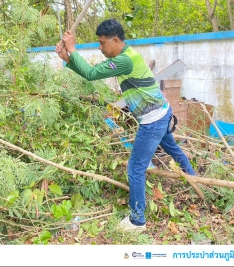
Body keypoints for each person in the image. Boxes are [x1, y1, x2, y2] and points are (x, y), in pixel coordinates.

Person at [55, 19, 196, 232]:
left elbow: (92, 74)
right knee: (172, 148)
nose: (100, 48)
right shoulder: (124, 57)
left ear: (115, 40)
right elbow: (88, 72)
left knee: (135, 168)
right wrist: (68, 58)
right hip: (162, 111)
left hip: (153, 119)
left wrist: (73, 48)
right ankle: (194, 180)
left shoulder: (125, 61)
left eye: (102, 43)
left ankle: (137, 221)